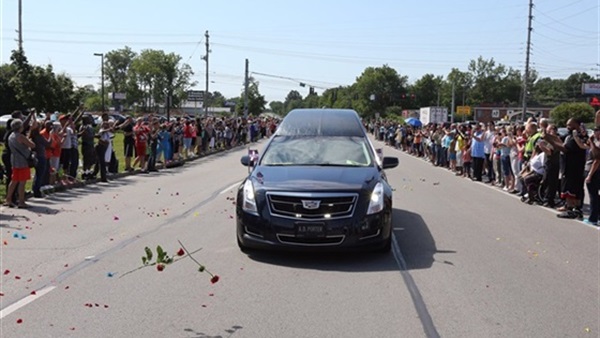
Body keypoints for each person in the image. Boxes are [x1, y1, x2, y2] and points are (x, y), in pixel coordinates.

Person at [4, 119, 35, 208]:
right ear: (20, 127)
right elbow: (32, 145)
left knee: (14, 180)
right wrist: (30, 139)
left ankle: (8, 199)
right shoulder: (20, 136)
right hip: (23, 161)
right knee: (22, 181)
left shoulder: (11, 136)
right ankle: (21, 201)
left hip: (14, 159)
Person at [29, 119, 51, 198]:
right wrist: (51, 135)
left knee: (37, 174)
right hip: (41, 156)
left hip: (35, 156)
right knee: (40, 174)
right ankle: (37, 191)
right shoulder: (39, 137)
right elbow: (48, 144)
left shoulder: (31, 136)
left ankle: (34, 188)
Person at [584, 127, 600, 226]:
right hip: (592, 170)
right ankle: (596, 216)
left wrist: (590, 175)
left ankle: (593, 218)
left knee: (593, 195)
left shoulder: (598, 143)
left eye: (596, 131)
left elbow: (597, 160)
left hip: (594, 172)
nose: (594, 133)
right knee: (595, 195)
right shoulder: (596, 142)